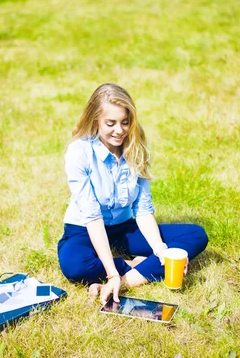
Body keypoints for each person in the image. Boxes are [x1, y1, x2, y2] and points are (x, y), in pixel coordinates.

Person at [57, 83, 209, 304]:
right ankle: (136, 266)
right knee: (75, 265)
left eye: (125, 122)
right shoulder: (79, 152)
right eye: (111, 123)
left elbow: (143, 210)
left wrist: (159, 250)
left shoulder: (137, 151)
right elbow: (91, 215)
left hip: (122, 229)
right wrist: (111, 271)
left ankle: (129, 278)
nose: (119, 130)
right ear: (95, 120)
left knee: (195, 236)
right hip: (84, 229)